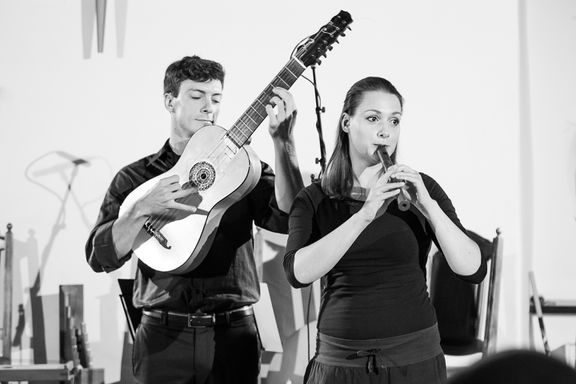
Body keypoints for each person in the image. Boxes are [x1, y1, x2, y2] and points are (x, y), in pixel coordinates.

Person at [85, 55, 304, 384]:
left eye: (216, 98)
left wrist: (284, 143)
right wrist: (142, 208)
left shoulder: (245, 170)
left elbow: (288, 220)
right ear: (169, 101)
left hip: (233, 335)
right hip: (161, 336)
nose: (209, 108)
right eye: (197, 96)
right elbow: (100, 257)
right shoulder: (136, 177)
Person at [283, 76, 486, 384]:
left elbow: (473, 269)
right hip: (340, 364)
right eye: (373, 118)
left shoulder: (421, 188)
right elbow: (297, 273)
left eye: (394, 121)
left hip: (415, 361)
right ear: (346, 123)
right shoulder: (315, 198)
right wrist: (365, 215)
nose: (385, 131)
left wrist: (428, 206)